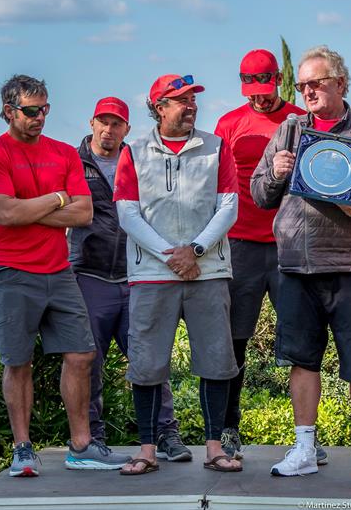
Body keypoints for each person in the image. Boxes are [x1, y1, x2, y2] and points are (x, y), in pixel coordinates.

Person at [251, 46, 351, 481]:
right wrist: (276, 173)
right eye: (302, 85)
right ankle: (304, 448)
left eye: (316, 83)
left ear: (340, 83)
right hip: (297, 268)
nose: (308, 91)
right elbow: (260, 195)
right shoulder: (287, 130)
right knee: (302, 361)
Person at [0, 74, 130, 477]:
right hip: (10, 271)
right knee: (18, 361)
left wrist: (31, 206)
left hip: (59, 270)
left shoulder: (63, 153)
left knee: (81, 354)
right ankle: (23, 450)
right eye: (31, 110)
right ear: (9, 111)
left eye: (45, 109)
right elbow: (5, 215)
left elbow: (84, 213)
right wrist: (58, 198)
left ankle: (81, 446)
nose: (40, 116)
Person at [114, 74, 241, 475]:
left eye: (192, 99)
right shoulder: (132, 151)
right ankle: (147, 450)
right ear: (159, 107)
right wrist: (171, 255)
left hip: (208, 271)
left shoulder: (216, 147)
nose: (190, 106)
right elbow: (126, 212)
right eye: (180, 100)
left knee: (217, 362)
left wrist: (196, 251)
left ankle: (215, 448)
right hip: (152, 274)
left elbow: (229, 206)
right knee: (147, 364)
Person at [213, 50, 328, 463]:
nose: (260, 99)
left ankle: (309, 437)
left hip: (290, 244)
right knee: (235, 341)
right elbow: (218, 185)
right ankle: (228, 427)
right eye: (252, 91)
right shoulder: (229, 123)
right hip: (241, 245)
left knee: (304, 341)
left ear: (278, 79)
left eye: (266, 90)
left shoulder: (301, 119)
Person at [68, 97, 191, 461]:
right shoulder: (74, 163)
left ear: (127, 128)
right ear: (92, 123)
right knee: (88, 362)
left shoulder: (138, 159)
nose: (109, 129)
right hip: (89, 276)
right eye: (103, 122)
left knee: (149, 358)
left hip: (136, 276)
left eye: (117, 123)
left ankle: (165, 435)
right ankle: (92, 437)